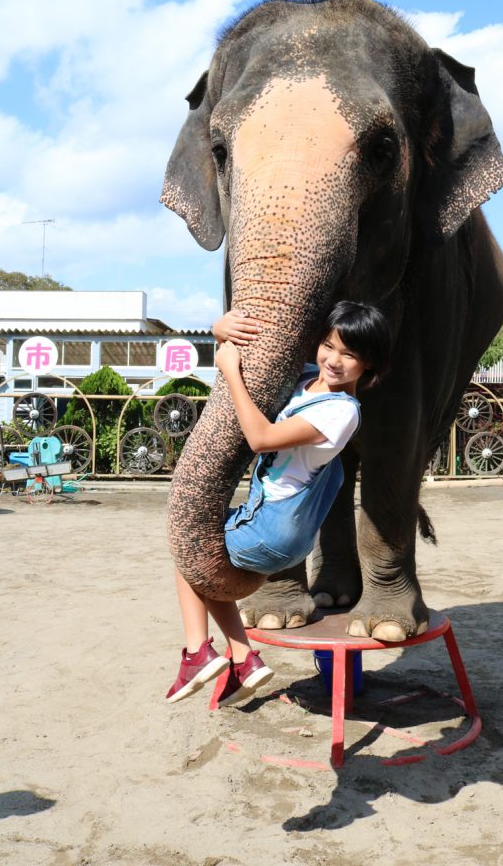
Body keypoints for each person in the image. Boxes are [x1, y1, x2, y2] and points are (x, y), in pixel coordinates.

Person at [166, 300, 391, 708]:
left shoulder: (342, 412)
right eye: (328, 345)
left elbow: (261, 439)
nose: (333, 360)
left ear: (369, 366)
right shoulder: (308, 380)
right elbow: (255, 360)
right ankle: (244, 660)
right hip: (268, 521)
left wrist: (230, 372)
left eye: (350, 355)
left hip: (273, 528)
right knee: (208, 570)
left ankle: (197, 652)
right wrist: (219, 331)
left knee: (188, 553)